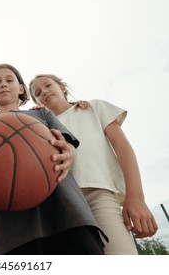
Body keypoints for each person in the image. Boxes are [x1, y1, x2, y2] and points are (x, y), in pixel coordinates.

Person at [0, 64, 107, 255]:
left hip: (65, 211)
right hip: (12, 229)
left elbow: (69, 147)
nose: (4, 85)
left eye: (10, 80)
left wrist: (68, 154)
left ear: (21, 89)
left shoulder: (41, 113)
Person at [28, 74, 158, 254]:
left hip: (99, 195)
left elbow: (123, 148)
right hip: (61, 203)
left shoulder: (93, 108)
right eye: (38, 93)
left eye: (48, 85)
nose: (44, 92)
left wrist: (136, 198)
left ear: (63, 87)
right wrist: (34, 118)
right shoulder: (41, 127)